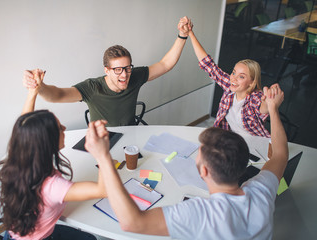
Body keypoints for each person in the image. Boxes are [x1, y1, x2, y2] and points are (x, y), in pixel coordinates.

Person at [84, 84, 288, 239]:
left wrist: (103, 157)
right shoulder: (262, 191)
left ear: (204, 172)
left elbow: (131, 223)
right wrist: (273, 108)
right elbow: (280, 154)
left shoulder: (200, 214)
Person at [0, 69, 107, 240]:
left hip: (13, 234)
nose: (64, 129)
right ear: (48, 143)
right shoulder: (53, 187)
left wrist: (33, 92)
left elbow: (25, 124)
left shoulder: (18, 158)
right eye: (59, 128)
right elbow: (103, 189)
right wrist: (102, 154)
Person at [23, 18, 190, 126]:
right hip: (103, 141)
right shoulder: (92, 87)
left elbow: (165, 64)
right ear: (106, 70)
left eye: (127, 68)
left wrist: (182, 35)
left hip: (131, 138)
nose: (124, 75)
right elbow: (58, 95)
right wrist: (40, 86)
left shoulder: (135, 76)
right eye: (117, 70)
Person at [179, 16, 279, 138]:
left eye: (241, 77)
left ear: (252, 83)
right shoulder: (230, 87)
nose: (233, 78)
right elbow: (208, 64)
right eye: (233, 72)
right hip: (230, 139)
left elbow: (263, 108)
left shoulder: (255, 98)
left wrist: (270, 101)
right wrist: (190, 33)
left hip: (254, 145)